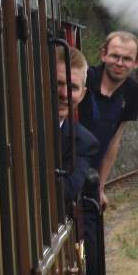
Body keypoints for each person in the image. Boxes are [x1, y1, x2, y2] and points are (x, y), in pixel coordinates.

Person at [78, 30, 138, 210]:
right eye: (115, 56)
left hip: (92, 176)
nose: (120, 63)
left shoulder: (133, 92)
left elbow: (114, 141)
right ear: (103, 55)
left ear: (136, 62)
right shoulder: (84, 79)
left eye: (127, 59)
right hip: (70, 168)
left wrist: (100, 188)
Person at [55, 46, 100, 206]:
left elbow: (65, 191)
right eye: (57, 83)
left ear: (82, 95)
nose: (64, 93)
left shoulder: (83, 142)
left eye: (73, 87)